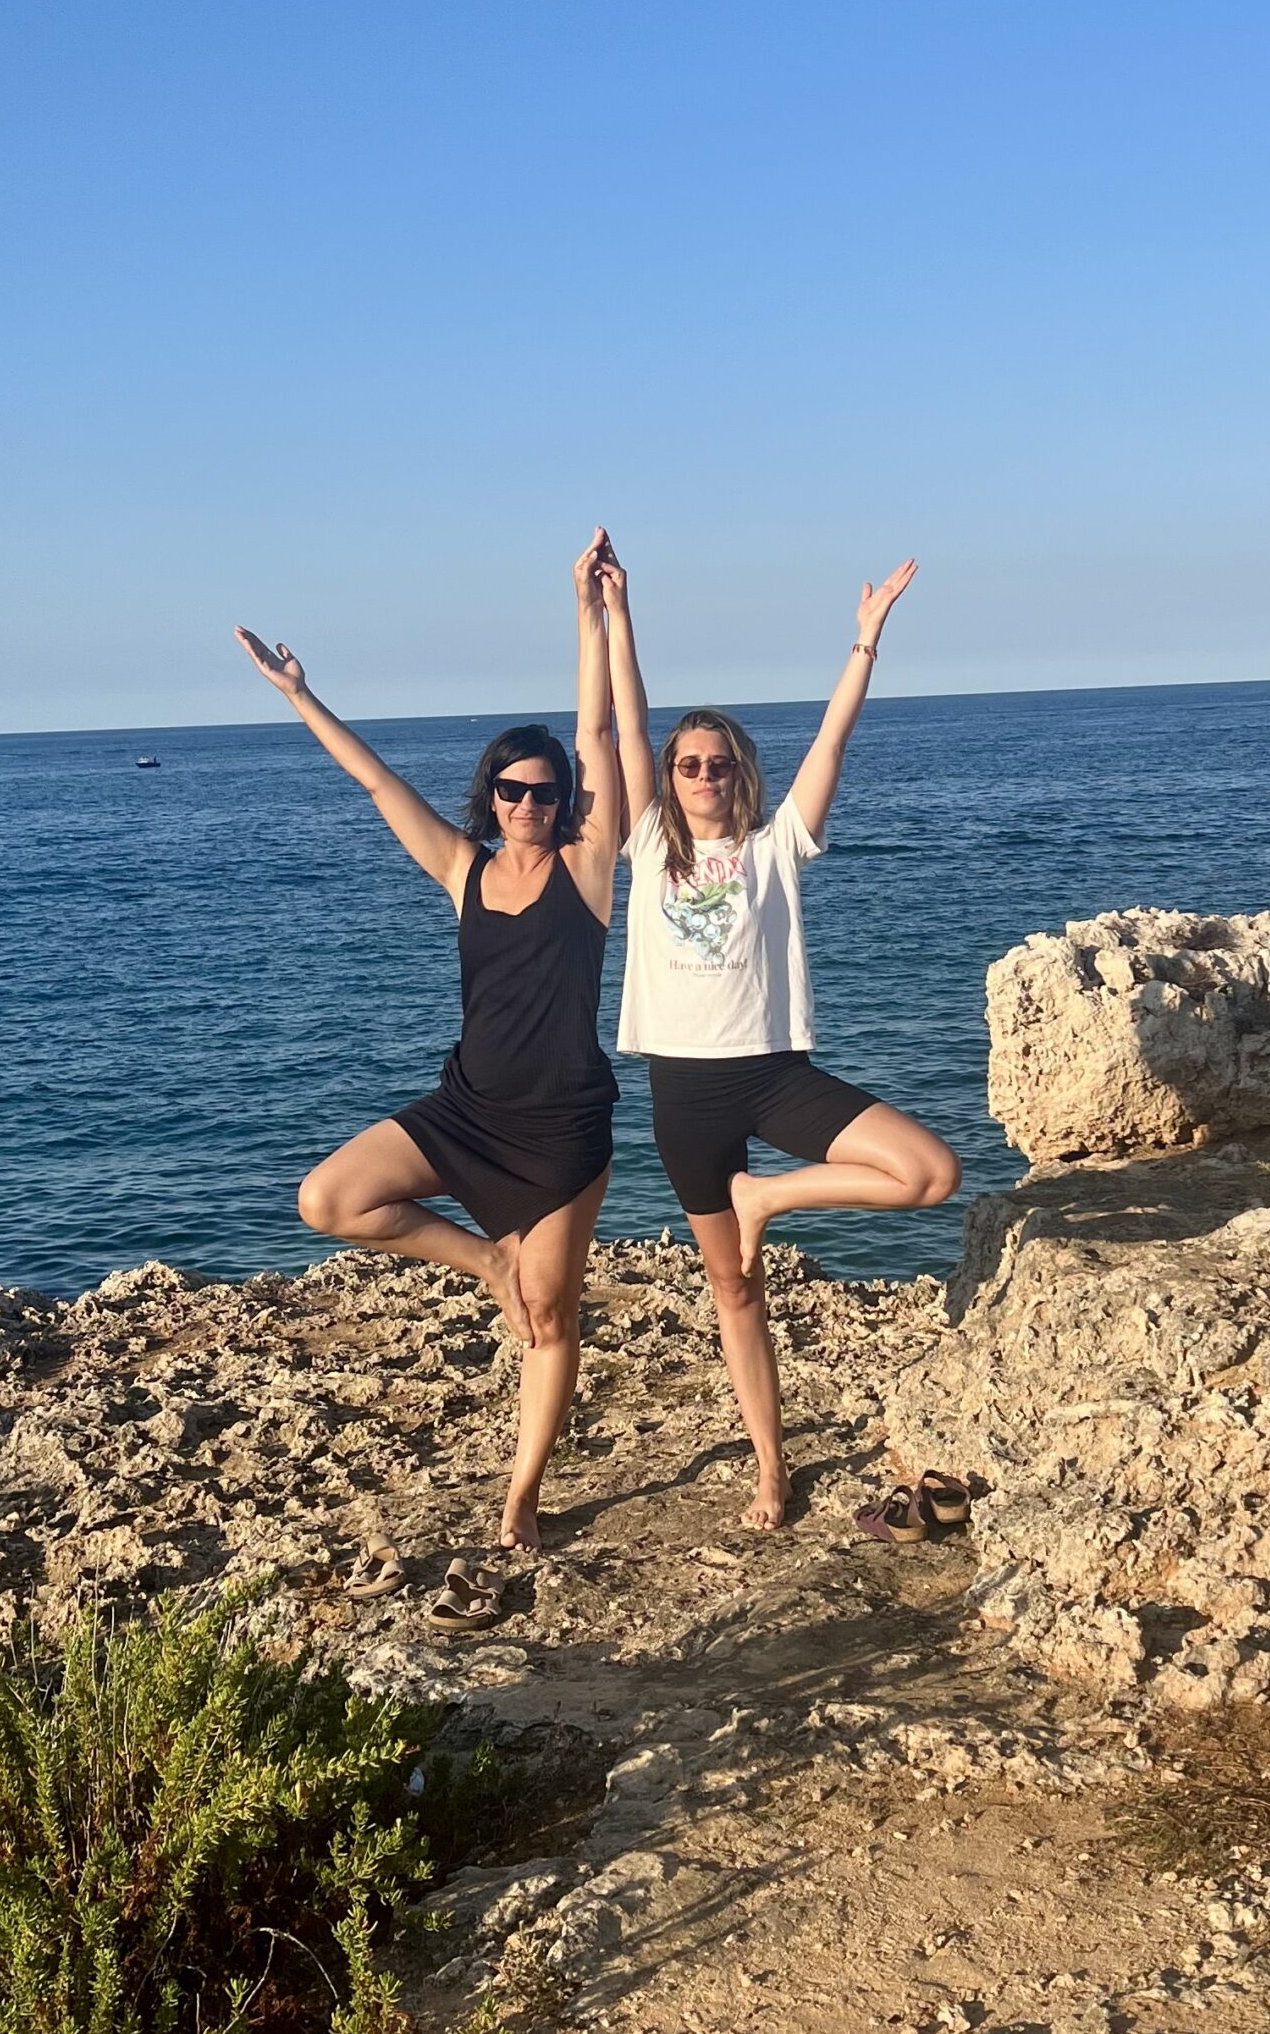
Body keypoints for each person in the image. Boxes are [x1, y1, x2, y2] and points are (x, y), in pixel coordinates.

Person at [233, 537, 621, 1568]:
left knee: (550, 1320)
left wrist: (587, 610)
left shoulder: (588, 870)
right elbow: (376, 782)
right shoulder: (463, 869)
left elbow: (595, 729)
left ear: (567, 801)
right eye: (512, 789)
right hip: (467, 1109)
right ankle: (485, 1256)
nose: (529, 804)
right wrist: (300, 694)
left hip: (562, 1131)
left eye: (546, 792)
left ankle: (522, 1498)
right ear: (488, 793)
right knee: (330, 1199)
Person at [593, 534, 960, 1530]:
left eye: (718, 763)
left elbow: (831, 746)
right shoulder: (645, 843)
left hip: (774, 1078)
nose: (703, 773)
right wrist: (618, 613)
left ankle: (768, 1195)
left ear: (741, 773)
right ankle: (770, 1470)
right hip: (684, 1092)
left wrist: (864, 642)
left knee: (929, 1171)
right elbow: (626, 721)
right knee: (734, 1290)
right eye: (688, 764)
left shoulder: (776, 846)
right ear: (671, 777)